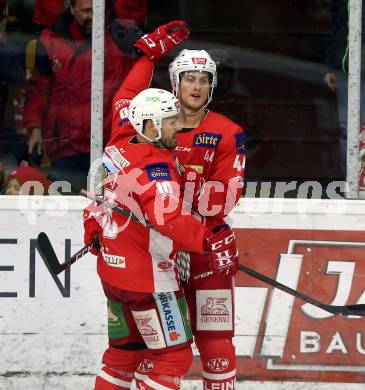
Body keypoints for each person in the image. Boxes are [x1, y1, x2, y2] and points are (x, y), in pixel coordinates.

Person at [83, 22, 239, 389]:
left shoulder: (120, 138)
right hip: (149, 278)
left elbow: (126, 95)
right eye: (169, 122)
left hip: (113, 270)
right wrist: (208, 241)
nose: (176, 128)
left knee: (124, 355)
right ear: (151, 126)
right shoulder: (156, 169)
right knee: (173, 357)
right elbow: (169, 218)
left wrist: (146, 56)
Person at [22, 0, 147, 186]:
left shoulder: (119, 38)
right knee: (67, 204)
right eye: (87, 11)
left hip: (108, 143)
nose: (93, 17)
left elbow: (135, 85)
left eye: (97, 11)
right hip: (65, 145)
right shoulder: (50, 41)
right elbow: (39, 88)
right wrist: (34, 127)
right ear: (71, 9)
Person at [324, 0, 365, 185]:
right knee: (346, 127)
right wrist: (331, 66)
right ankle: (351, 178)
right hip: (344, 70)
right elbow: (336, 29)